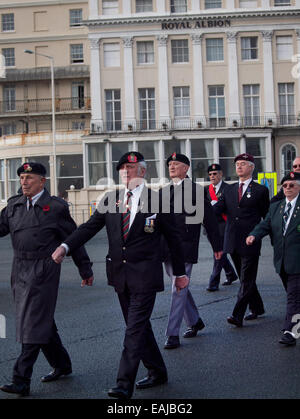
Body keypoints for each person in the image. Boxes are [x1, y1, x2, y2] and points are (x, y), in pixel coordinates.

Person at [51, 151, 188, 400]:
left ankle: (124, 384)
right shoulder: (111, 199)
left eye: (131, 168)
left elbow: (174, 239)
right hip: (120, 275)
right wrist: (65, 247)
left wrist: (179, 273)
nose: (126, 172)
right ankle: (157, 370)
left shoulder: (158, 200)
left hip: (146, 275)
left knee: (133, 330)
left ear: (143, 172)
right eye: (122, 168)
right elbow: (89, 227)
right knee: (138, 327)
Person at [0, 162, 93, 397]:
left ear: (43, 181)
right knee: (40, 321)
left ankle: (21, 379)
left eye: (29, 177)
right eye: (21, 177)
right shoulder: (14, 205)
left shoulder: (55, 207)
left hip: (44, 268)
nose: (24, 181)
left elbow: (73, 239)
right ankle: (62, 364)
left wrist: (85, 269)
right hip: (19, 268)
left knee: (32, 323)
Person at [161, 153, 222, 349]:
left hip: (185, 246)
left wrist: (217, 246)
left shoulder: (196, 190)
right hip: (166, 248)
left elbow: (210, 220)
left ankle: (172, 334)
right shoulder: (163, 191)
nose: (171, 166)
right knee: (179, 285)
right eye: (170, 164)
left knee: (178, 288)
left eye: (176, 164)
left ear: (186, 168)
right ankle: (195, 321)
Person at [213, 153, 270, 327]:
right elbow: (217, 210)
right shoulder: (228, 189)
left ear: (251, 167)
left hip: (250, 240)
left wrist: (259, 234)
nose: (239, 166)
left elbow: (266, 216)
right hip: (232, 240)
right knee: (246, 277)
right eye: (237, 164)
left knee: (246, 278)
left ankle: (237, 315)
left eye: (243, 163)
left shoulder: (260, 190)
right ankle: (258, 308)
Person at [247, 171, 300, 346]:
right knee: (294, 295)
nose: (287, 188)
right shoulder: (276, 207)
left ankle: (290, 332)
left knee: (294, 297)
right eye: (284, 185)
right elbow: (265, 224)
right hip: (282, 261)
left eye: (292, 185)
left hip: (298, 261)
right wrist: (254, 235)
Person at [205, 163, 238, 291]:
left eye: (215, 174)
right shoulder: (206, 190)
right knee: (218, 253)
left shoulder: (228, 189)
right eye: (210, 174)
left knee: (219, 254)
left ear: (221, 174)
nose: (213, 176)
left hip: (224, 226)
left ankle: (213, 282)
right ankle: (231, 274)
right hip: (211, 228)